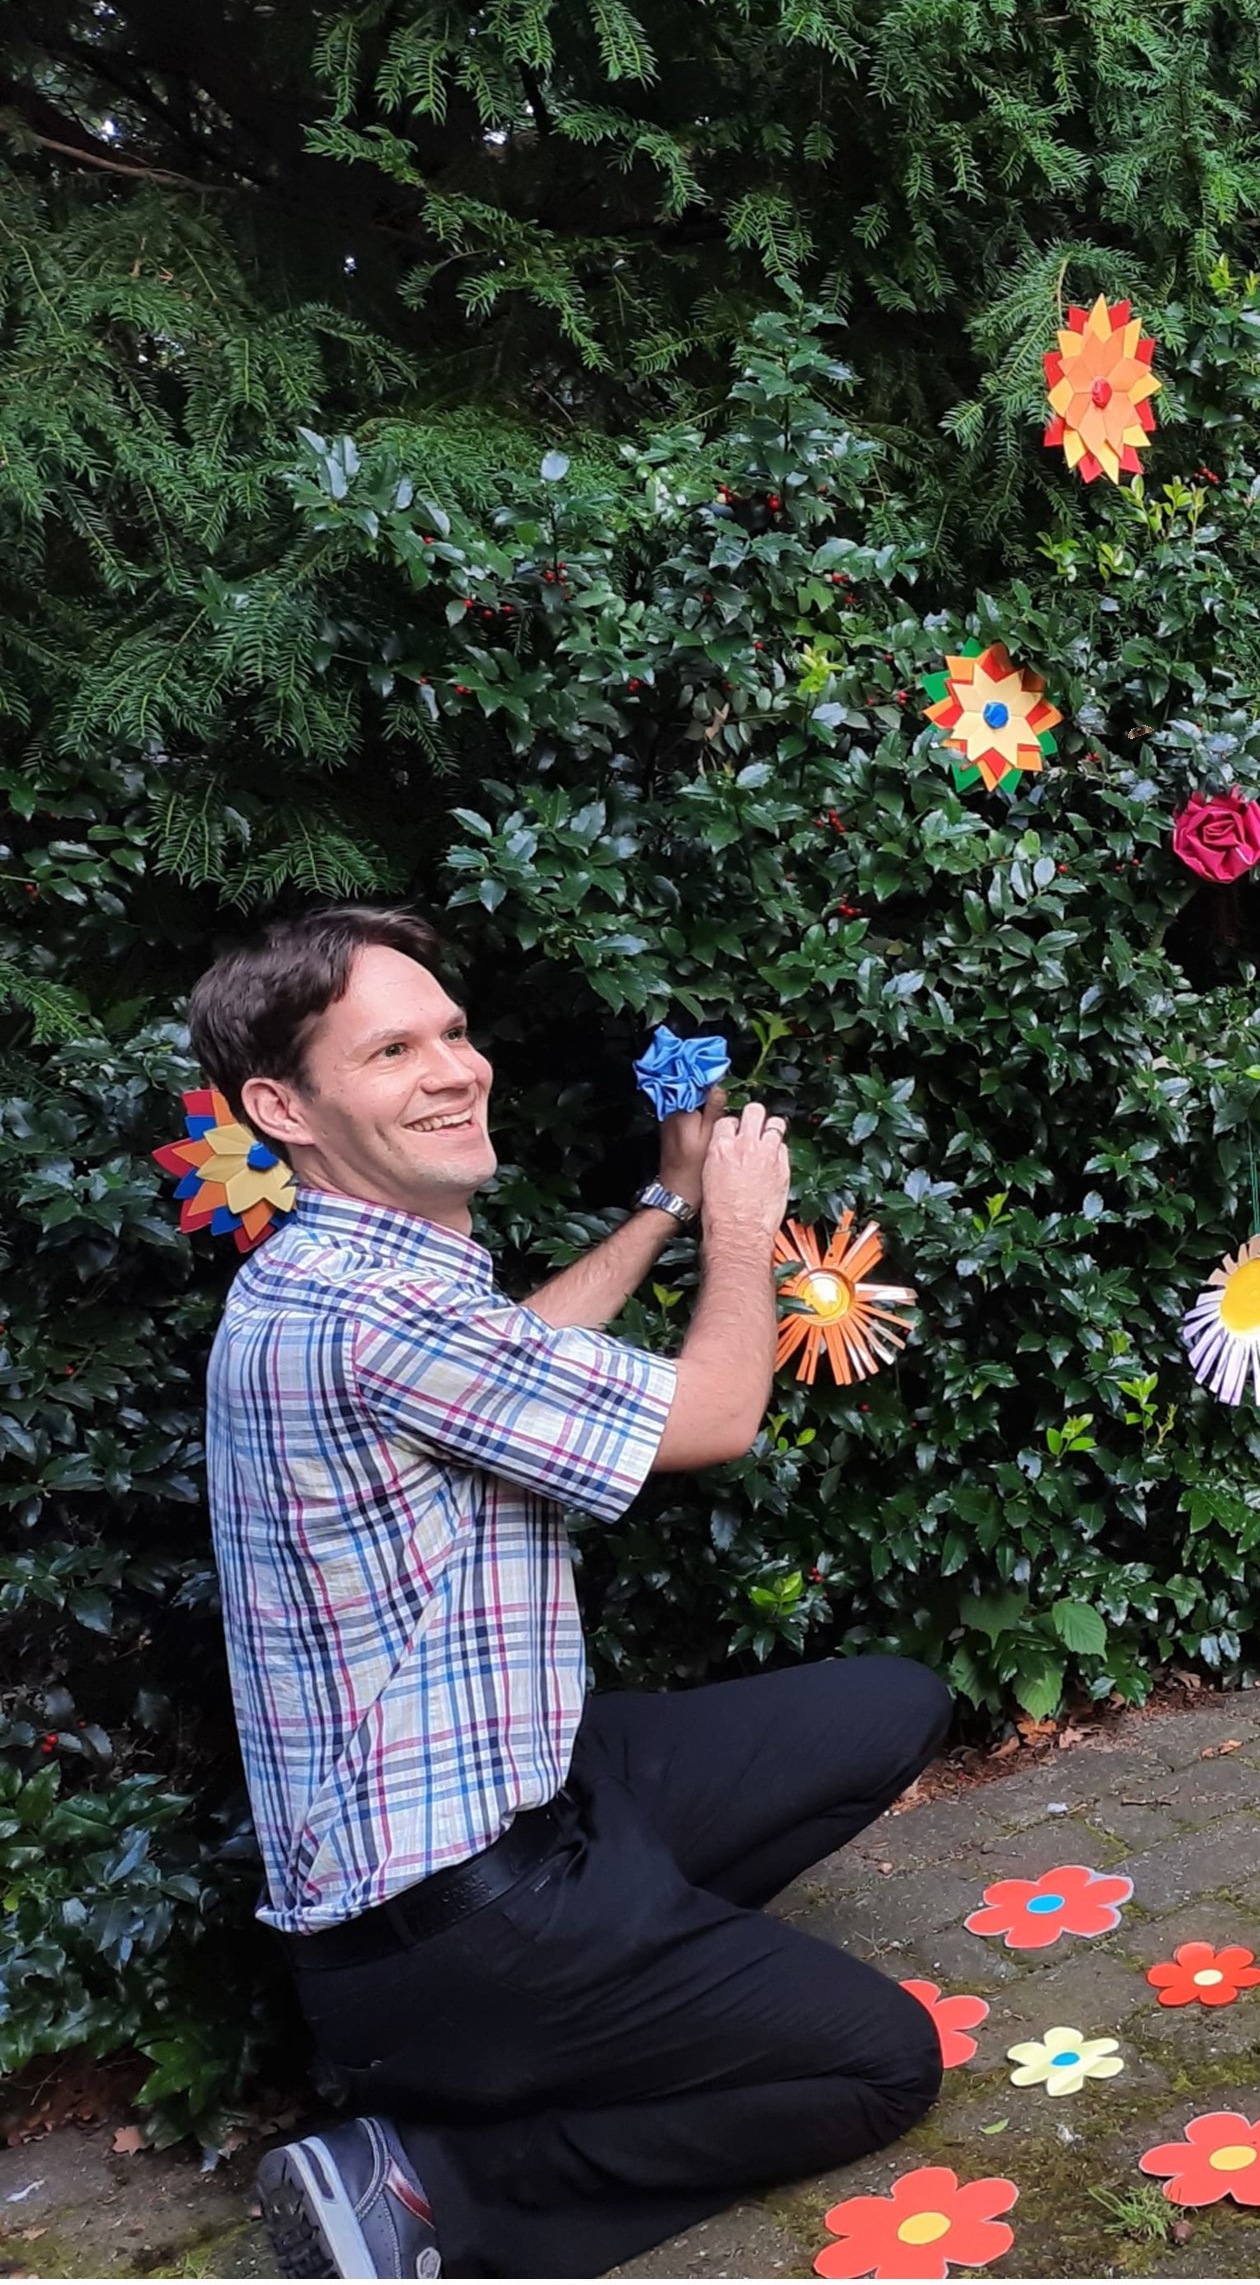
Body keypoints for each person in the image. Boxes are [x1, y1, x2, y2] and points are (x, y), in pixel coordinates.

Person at [196, 907, 952, 2278]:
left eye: (453, 1029)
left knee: (888, 1706)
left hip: (513, 1801)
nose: (455, 1066)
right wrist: (740, 1222)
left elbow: (515, 1354)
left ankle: (620, 1983)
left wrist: (662, 1199)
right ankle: (438, 2180)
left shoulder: (331, 1272)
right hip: (454, 1923)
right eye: (391, 1049)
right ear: (280, 1105)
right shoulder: (373, 1312)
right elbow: (719, 1411)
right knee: (881, 2063)